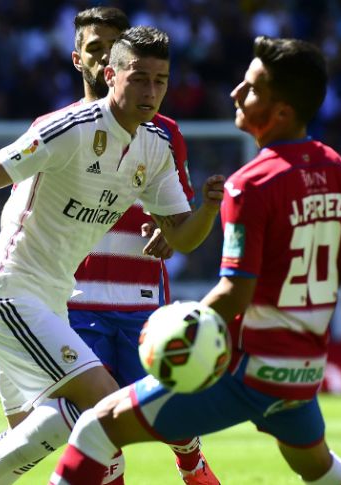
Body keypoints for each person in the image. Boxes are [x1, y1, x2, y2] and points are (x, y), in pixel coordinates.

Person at [49, 36, 341, 485]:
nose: (235, 94)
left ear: (281, 111)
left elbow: (236, 292)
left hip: (248, 371)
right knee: (321, 469)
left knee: (96, 429)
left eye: (250, 89)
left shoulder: (252, 184)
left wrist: (178, 330)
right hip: (302, 374)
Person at [0, 26, 225, 485]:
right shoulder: (68, 128)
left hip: (52, 302)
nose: (151, 92)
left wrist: (208, 208)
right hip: (8, 292)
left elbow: (183, 238)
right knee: (103, 406)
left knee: (64, 422)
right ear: (110, 74)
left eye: (161, 81)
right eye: (139, 78)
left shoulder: (157, 145)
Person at [64, 7, 219, 485]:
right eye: (96, 48)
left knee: (163, 407)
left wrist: (171, 231)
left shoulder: (163, 133)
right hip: (76, 300)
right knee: (94, 420)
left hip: (141, 299)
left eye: (114, 46)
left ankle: (190, 457)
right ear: (82, 60)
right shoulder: (59, 127)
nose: (104, 56)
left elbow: (178, 217)